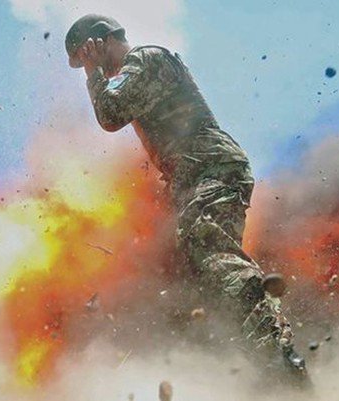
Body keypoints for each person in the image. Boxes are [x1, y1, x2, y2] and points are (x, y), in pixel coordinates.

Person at [65, 14, 307, 375]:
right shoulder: (141, 69)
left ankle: (275, 348)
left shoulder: (145, 59)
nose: (92, 64)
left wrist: (93, 72)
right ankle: (241, 361)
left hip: (210, 167)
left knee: (207, 246)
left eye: (87, 53)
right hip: (194, 175)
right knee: (184, 274)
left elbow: (110, 115)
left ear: (102, 41)